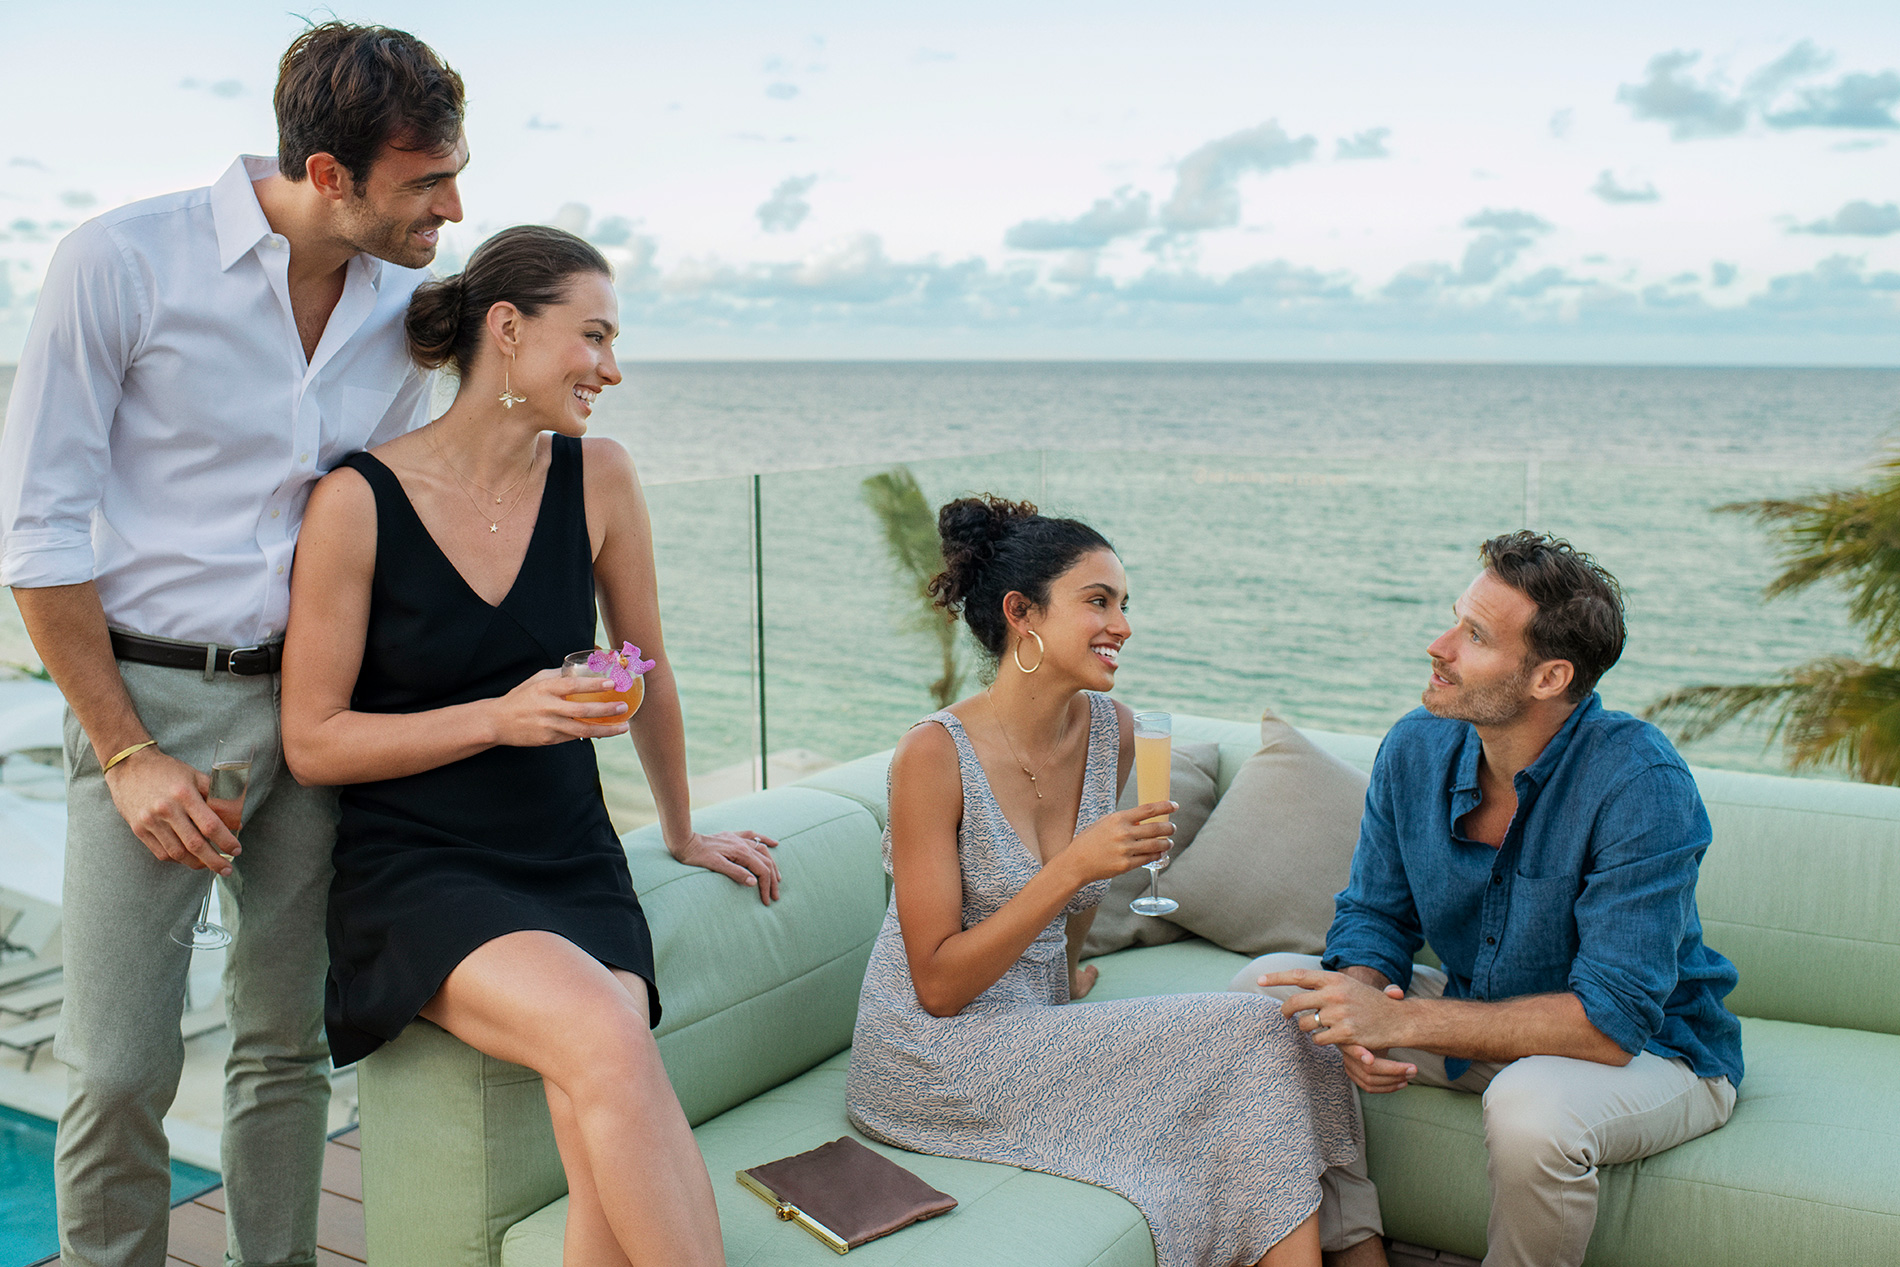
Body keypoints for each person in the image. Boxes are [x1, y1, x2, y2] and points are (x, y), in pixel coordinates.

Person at [0, 23, 466, 1267]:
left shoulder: (408, 308)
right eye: (426, 180)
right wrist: (126, 753)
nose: (452, 205)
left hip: (318, 710)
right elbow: (38, 536)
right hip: (146, 701)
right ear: (327, 174)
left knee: (284, 1046)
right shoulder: (119, 262)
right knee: (117, 1068)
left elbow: (393, 506)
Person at [280, 224, 778, 1267]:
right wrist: (500, 717)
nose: (612, 366)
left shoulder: (599, 478)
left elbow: (647, 668)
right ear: (507, 330)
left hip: (573, 859)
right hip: (420, 871)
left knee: (599, 1068)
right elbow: (313, 742)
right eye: (591, 336)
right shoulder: (355, 501)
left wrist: (682, 833)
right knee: (605, 1035)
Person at [845, 496, 1383, 1267]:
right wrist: (1073, 865)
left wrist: (1065, 987)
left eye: (1124, 603)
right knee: (1252, 1031)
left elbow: (1067, 925)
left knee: (1296, 1022)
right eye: (1097, 601)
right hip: (928, 1058)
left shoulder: (1112, 731)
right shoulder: (933, 755)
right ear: (1021, 613)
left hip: (1029, 1024)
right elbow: (935, 984)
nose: (1122, 624)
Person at [1236, 531, 1744, 1267]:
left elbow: (1611, 1021)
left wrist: (1399, 1016)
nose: (1439, 645)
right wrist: (1357, 1004)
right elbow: (1376, 916)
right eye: (1455, 618)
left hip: (1657, 1051)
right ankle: (1355, 1249)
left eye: (1474, 635)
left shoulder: (1641, 784)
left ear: (1548, 677)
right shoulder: (1416, 746)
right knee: (1265, 997)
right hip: (1487, 1007)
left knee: (1529, 1105)